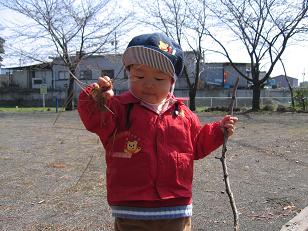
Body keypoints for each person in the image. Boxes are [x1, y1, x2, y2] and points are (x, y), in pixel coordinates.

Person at [78, 33, 238, 231]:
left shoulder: (183, 114)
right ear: (129, 74)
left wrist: (219, 131)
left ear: (171, 82)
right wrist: (97, 97)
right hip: (131, 209)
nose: (148, 83)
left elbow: (197, 145)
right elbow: (95, 119)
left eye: (159, 77)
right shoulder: (118, 109)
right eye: (139, 76)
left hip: (176, 207)